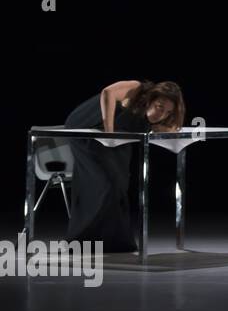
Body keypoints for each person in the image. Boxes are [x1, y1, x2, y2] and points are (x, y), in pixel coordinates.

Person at [64, 80, 185, 252]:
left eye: (167, 112)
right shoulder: (136, 88)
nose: (162, 114)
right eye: (159, 107)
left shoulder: (145, 116)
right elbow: (108, 92)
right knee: (104, 183)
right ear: (150, 99)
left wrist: (167, 128)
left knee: (119, 184)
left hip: (116, 136)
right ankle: (83, 242)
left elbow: (165, 127)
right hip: (87, 128)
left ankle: (115, 243)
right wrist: (109, 132)